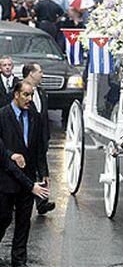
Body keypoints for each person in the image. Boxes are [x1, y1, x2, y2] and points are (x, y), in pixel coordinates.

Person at [0, 81, 49, 266]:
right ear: (16, 94)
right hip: (6, 180)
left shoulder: (34, 117)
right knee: (3, 218)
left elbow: (38, 149)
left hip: (27, 179)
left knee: (23, 222)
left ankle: (19, 260)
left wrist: (43, 172)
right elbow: (2, 155)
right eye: (26, 95)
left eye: (31, 95)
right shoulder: (2, 116)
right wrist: (12, 155)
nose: (29, 99)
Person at [22, 62, 55, 215]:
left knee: (41, 168)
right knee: (27, 168)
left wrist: (46, 135)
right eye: (40, 72)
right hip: (25, 137)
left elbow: (44, 115)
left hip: (40, 138)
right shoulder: (19, 91)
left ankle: (41, 202)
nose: (42, 74)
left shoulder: (41, 92)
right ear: (31, 74)